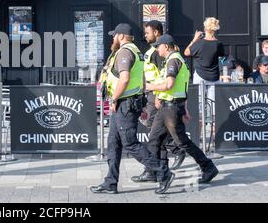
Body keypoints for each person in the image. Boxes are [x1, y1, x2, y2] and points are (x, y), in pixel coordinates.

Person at [90, 23, 175, 195]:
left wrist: (114, 99)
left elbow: (125, 78)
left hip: (124, 104)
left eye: (114, 35)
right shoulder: (136, 51)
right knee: (113, 144)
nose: (112, 38)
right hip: (125, 104)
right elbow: (140, 79)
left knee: (130, 143)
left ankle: (163, 172)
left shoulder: (125, 51)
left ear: (121, 36)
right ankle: (110, 182)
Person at [146, 34, 219, 184]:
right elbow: (182, 86)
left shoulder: (173, 60)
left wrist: (148, 87)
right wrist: (183, 107)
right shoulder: (176, 60)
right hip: (169, 106)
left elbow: (169, 84)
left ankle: (208, 166)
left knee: (181, 141)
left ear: (166, 46)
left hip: (171, 108)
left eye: (158, 47)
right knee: (155, 140)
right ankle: (158, 173)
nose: (157, 50)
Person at [132, 21, 186, 184]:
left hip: (156, 95)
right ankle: (158, 167)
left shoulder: (158, 52)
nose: (145, 35)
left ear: (156, 33)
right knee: (156, 133)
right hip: (154, 93)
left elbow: (164, 76)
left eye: (147, 32)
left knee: (155, 133)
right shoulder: (154, 50)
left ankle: (172, 153)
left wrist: (157, 95)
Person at [184, 17, 225, 97]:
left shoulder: (199, 43)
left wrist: (194, 39)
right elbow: (221, 54)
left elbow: (186, 52)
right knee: (213, 104)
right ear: (215, 30)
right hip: (214, 77)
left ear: (205, 28)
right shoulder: (218, 44)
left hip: (200, 75)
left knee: (200, 103)